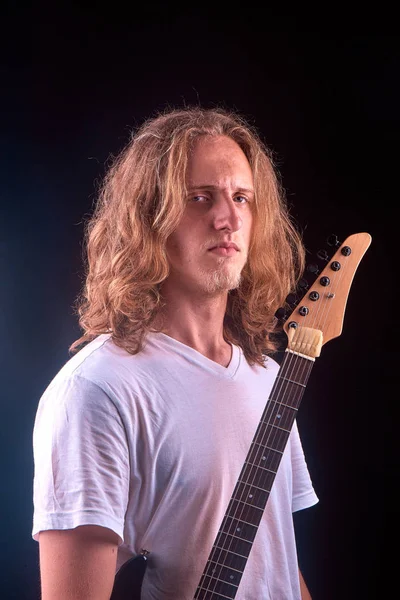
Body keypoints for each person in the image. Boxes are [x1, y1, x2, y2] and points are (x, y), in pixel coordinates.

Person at [32, 106, 318, 600]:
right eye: (200, 197)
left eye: (241, 198)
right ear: (148, 218)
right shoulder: (98, 390)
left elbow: (276, 565)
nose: (228, 219)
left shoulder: (268, 377)